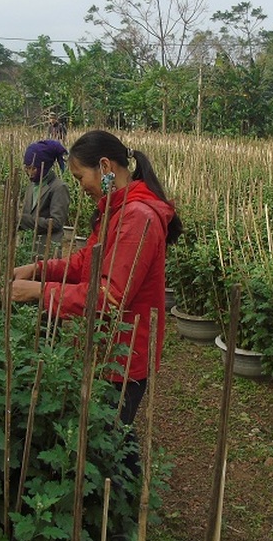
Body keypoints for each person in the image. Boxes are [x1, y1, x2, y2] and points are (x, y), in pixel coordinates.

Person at [12, 130, 182, 429]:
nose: (80, 187)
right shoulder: (117, 211)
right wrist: (39, 269)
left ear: (105, 167)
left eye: (79, 178)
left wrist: (41, 291)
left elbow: (110, 296)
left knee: (112, 444)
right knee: (110, 442)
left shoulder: (137, 217)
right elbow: (85, 262)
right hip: (106, 347)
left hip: (122, 356)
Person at [18, 139, 70, 256]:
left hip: (46, 250)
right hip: (28, 247)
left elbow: (56, 223)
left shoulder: (58, 187)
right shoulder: (32, 185)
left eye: (33, 168)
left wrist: (24, 220)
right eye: (27, 168)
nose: (29, 172)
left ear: (44, 167)